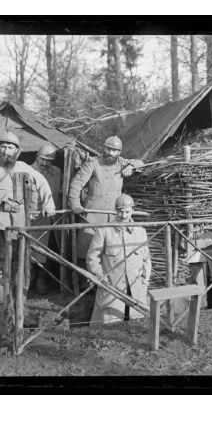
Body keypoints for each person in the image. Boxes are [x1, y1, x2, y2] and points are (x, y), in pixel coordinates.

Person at [0, 131, 56, 328]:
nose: (6, 150)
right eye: (3, 146)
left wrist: (49, 203)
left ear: (17, 151)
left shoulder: (22, 167)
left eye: (11, 147)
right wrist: (2, 200)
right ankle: (9, 315)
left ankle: (20, 312)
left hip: (17, 228)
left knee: (19, 268)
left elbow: (41, 182)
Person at [67, 135, 144, 324]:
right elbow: (76, 185)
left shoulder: (122, 163)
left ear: (119, 152)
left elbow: (141, 162)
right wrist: (75, 204)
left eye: (114, 150)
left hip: (115, 218)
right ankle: (87, 292)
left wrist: (131, 166)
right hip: (93, 217)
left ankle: (114, 293)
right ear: (103, 148)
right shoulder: (92, 163)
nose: (110, 153)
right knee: (88, 253)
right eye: (108, 149)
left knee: (112, 255)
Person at [86, 194, 151, 325]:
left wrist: (145, 277)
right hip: (111, 287)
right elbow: (92, 257)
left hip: (136, 287)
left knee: (136, 324)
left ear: (132, 211)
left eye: (127, 212)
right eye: (120, 212)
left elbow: (146, 258)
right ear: (115, 211)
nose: (124, 215)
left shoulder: (140, 231)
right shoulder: (104, 231)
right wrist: (101, 276)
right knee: (108, 326)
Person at [29, 143, 63, 294]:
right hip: (32, 219)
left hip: (51, 218)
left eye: (49, 160)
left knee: (49, 250)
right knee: (30, 249)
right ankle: (30, 277)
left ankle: (42, 279)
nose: (45, 163)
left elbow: (62, 190)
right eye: (42, 159)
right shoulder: (27, 171)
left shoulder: (57, 172)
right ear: (36, 156)